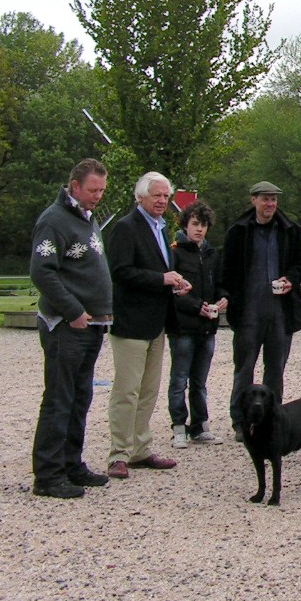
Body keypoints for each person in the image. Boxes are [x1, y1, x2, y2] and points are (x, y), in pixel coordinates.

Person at [29, 159, 114, 499]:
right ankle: (48, 475)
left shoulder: (86, 219)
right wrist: (73, 310)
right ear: (75, 187)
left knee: (80, 397)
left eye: (102, 190)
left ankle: (71, 462)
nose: (98, 196)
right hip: (67, 325)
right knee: (60, 398)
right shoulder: (53, 221)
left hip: (92, 324)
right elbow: (42, 271)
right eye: (93, 190)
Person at [105, 171, 190, 479]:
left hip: (156, 322)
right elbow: (121, 271)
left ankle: (140, 448)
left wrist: (174, 284)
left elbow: (159, 271)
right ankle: (119, 453)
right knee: (127, 390)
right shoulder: (126, 228)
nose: (162, 201)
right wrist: (160, 279)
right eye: (156, 195)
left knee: (149, 389)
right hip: (131, 322)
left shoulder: (162, 228)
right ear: (140, 197)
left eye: (166, 196)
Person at [221, 181, 301, 439]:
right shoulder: (238, 232)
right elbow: (226, 270)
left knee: (275, 370)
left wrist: (291, 279)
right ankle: (240, 420)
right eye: (265, 199)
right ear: (253, 200)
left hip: (280, 313)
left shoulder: (290, 230)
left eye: (273, 199)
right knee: (244, 369)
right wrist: (226, 296)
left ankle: (272, 421)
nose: (270, 204)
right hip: (248, 312)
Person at [168, 200, 228, 448]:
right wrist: (196, 306)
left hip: (207, 326)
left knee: (200, 380)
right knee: (179, 378)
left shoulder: (213, 255)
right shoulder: (175, 253)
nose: (199, 229)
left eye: (203, 225)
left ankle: (200, 425)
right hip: (183, 325)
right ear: (185, 224)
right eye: (195, 224)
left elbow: (221, 283)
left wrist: (225, 298)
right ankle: (179, 426)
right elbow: (173, 293)